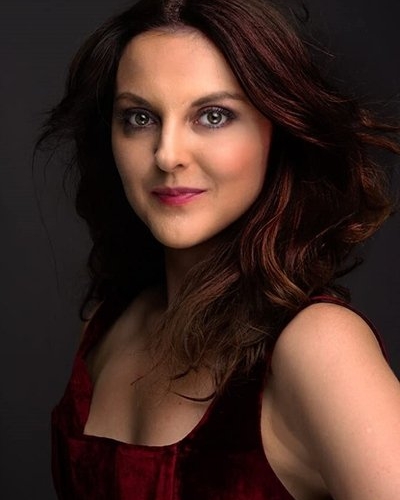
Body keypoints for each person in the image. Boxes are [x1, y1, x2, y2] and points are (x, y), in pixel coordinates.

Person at [36, 0, 400, 498]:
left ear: (278, 130)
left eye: (213, 115)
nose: (167, 154)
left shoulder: (318, 346)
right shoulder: (105, 327)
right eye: (139, 117)